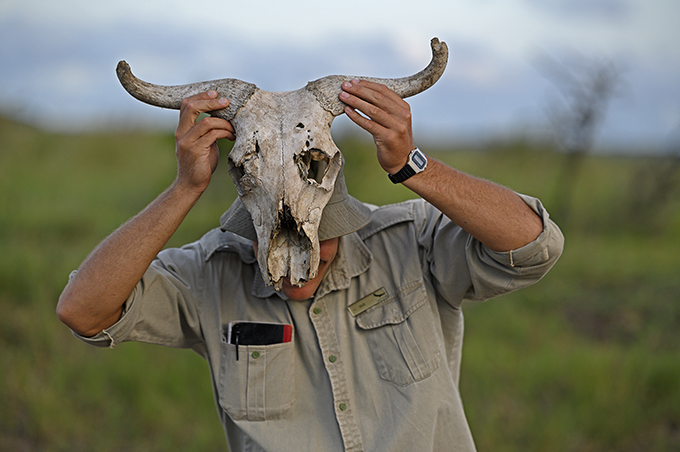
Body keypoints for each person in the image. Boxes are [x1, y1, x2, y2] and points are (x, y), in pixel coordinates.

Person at [57, 80, 564, 452]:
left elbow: (535, 244)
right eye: (267, 234)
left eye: (323, 234)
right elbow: (84, 310)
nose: (302, 248)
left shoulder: (412, 242)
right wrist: (185, 188)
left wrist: (411, 163)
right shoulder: (213, 271)